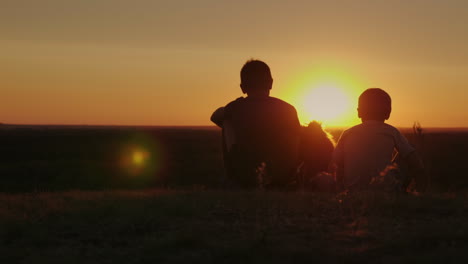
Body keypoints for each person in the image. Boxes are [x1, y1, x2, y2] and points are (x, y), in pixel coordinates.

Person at [211, 60, 301, 188]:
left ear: (243, 87)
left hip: (244, 176)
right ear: (271, 83)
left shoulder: (236, 108)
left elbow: (215, 116)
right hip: (282, 177)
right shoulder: (288, 109)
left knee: (226, 121)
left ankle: (233, 178)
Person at [331, 88, 424, 192]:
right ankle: (413, 191)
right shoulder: (391, 132)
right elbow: (413, 159)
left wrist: (339, 187)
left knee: (342, 163)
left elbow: (337, 162)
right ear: (388, 113)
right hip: (384, 189)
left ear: (359, 112)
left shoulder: (348, 133)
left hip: (353, 190)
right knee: (409, 153)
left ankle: (342, 189)